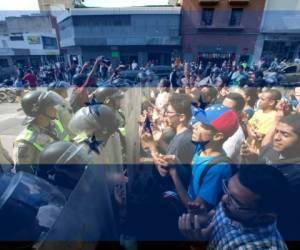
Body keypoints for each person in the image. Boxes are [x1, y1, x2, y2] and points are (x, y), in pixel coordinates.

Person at [178, 165, 288, 250]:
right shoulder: (231, 205)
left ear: (264, 217)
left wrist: (197, 247)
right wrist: (205, 221)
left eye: (235, 201)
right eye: (226, 188)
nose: (223, 199)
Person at [161, 104, 239, 210]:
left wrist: (174, 174)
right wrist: (175, 162)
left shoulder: (218, 168)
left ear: (217, 137)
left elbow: (195, 209)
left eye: (203, 125)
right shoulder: (200, 148)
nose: (195, 125)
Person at [241, 113, 300, 240]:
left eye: (285, 135)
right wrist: (253, 159)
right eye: (277, 131)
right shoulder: (271, 149)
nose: (277, 138)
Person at [13, 90, 70, 174]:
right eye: (51, 106)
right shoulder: (25, 142)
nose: (56, 108)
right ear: (39, 111)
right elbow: (24, 175)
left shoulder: (55, 123)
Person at [222, 92, 246, 163]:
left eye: (227, 109)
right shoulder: (222, 124)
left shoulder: (235, 135)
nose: (222, 111)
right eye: (222, 107)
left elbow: (222, 160)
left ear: (238, 113)